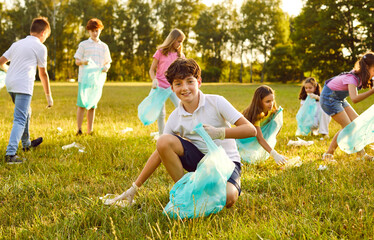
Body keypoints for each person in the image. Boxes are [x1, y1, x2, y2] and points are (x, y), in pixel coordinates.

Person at [108, 58, 257, 208]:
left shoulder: (217, 102)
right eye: (178, 84)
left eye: (189, 81)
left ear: (199, 81)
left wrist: (219, 132)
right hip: (200, 163)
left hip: (227, 163)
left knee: (229, 198)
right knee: (163, 140)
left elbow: (251, 130)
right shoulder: (175, 117)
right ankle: (185, 191)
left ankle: (206, 191)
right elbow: (160, 150)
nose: (184, 88)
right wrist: (134, 187)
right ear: (172, 88)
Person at [0, 17, 53, 164]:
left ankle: (26, 144)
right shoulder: (40, 47)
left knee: (26, 112)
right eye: (46, 37)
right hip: (23, 86)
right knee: (20, 118)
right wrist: (49, 96)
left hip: (10, 84)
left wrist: (9, 70)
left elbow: (1, 61)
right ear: (43, 33)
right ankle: (10, 154)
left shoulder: (17, 44)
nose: (45, 40)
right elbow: (43, 74)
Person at [320, 52, 374, 162]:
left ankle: (361, 155)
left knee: (358, 124)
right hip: (329, 99)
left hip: (337, 98)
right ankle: (328, 154)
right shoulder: (353, 78)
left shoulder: (360, 76)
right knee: (349, 128)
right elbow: (354, 99)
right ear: (367, 67)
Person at [74, 18, 111, 135]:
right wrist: (83, 61)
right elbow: (77, 61)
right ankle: (79, 129)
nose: (95, 33)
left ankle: (89, 130)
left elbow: (107, 62)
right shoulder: (84, 45)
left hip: (96, 81)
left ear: (100, 31)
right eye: (93, 31)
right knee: (82, 104)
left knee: (92, 106)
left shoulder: (104, 46)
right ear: (89, 31)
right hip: (84, 79)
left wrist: (106, 67)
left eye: (97, 31)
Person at [149, 29, 185, 134]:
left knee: (181, 108)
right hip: (160, 86)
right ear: (172, 40)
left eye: (181, 42)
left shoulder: (180, 56)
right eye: (178, 41)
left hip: (173, 87)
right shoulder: (160, 52)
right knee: (161, 113)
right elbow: (152, 70)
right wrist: (154, 80)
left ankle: (181, 132)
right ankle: (162, 135)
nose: (180, 44)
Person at [242, 85, 288, 165]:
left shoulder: (272, 110)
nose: (271, 104)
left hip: (261, 132)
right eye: (267, 101)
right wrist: (275, 154)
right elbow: (260, 138)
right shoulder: (256, 115)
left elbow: (277, 125)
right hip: (247, 139)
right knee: (249, 158)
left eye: (272, 100)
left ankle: (266, 148)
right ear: (259, 102)